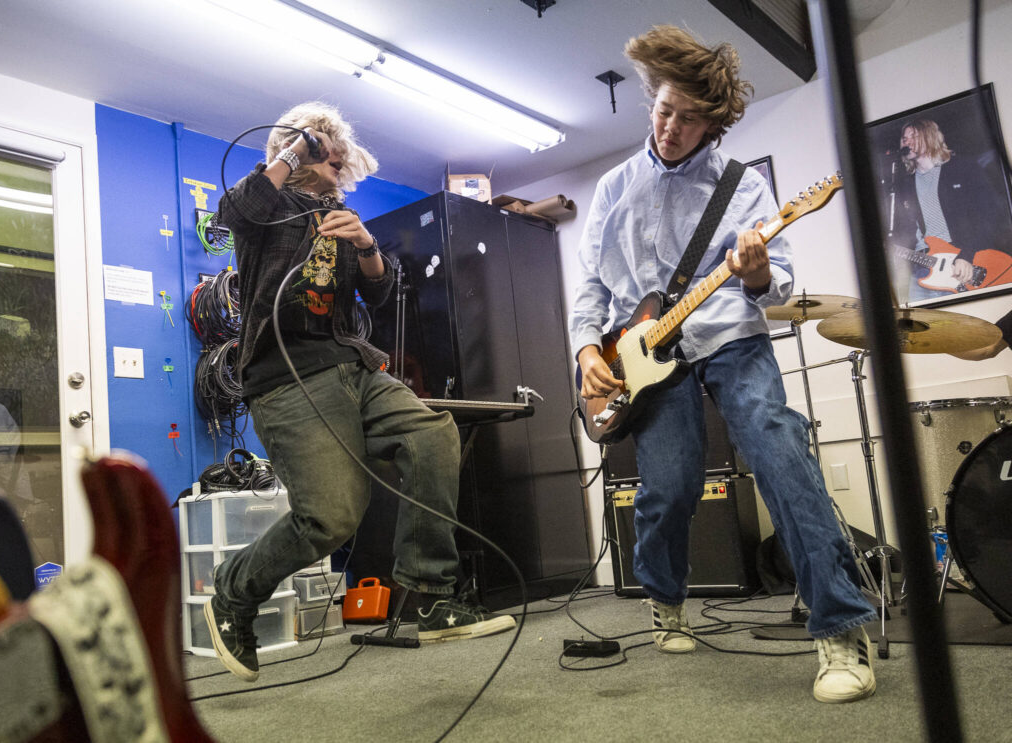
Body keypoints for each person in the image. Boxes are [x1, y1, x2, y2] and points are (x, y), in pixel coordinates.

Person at [569, 26, 878, 703]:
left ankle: (841, 627)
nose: (671, 127)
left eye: (688, 118)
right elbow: (591, 283)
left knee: (780, 449)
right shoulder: (613, 186)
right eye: (663, 110)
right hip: (646, 357)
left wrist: (761, 271)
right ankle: (665, 595)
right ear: (651, 100)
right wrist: (589, 347)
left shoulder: (744, 189)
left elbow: (783, 285)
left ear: (713, 124)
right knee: (669, 487)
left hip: (732, 339)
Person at [206, 101, 514, 682]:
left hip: (352, 366)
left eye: (337, 156)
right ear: (296, 152)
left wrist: (368, 248)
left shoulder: (341, 216)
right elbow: (235, 210)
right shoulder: (266, 211)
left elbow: (377, 298)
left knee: (431, 432)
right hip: (286, 378)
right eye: (324, 154)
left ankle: (427, 593)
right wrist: (296, 147)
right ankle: (234, 592)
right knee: (329, 521)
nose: (334, 164)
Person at [889, 118, 1012, 303]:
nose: (906, 141)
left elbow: (990, 215)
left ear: (930, 136)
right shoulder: (905, 185)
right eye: (904, 138)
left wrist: (967, 255)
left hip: (962, 263)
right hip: (922, 267)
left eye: (913, 135)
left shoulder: (964, 168)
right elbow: (906, 231)